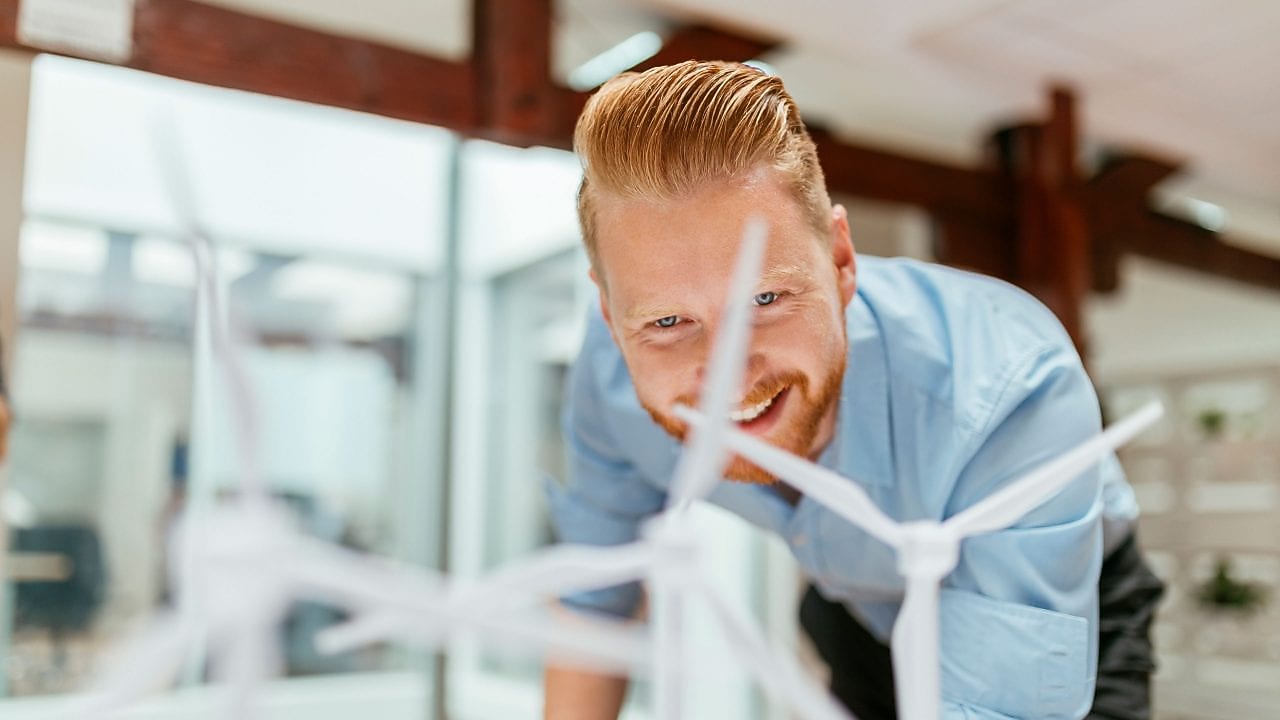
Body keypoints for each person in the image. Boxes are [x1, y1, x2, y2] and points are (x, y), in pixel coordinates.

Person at [544, 61, 1163, 720]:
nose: (729, 372)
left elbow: (1000, 708)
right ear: (613, 319)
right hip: (860, 607)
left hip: (1049, 592)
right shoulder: (610, 375)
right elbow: (596, 603)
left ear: (841, 263)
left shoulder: (1011, 385)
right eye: (669, 322)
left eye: (766, 297)